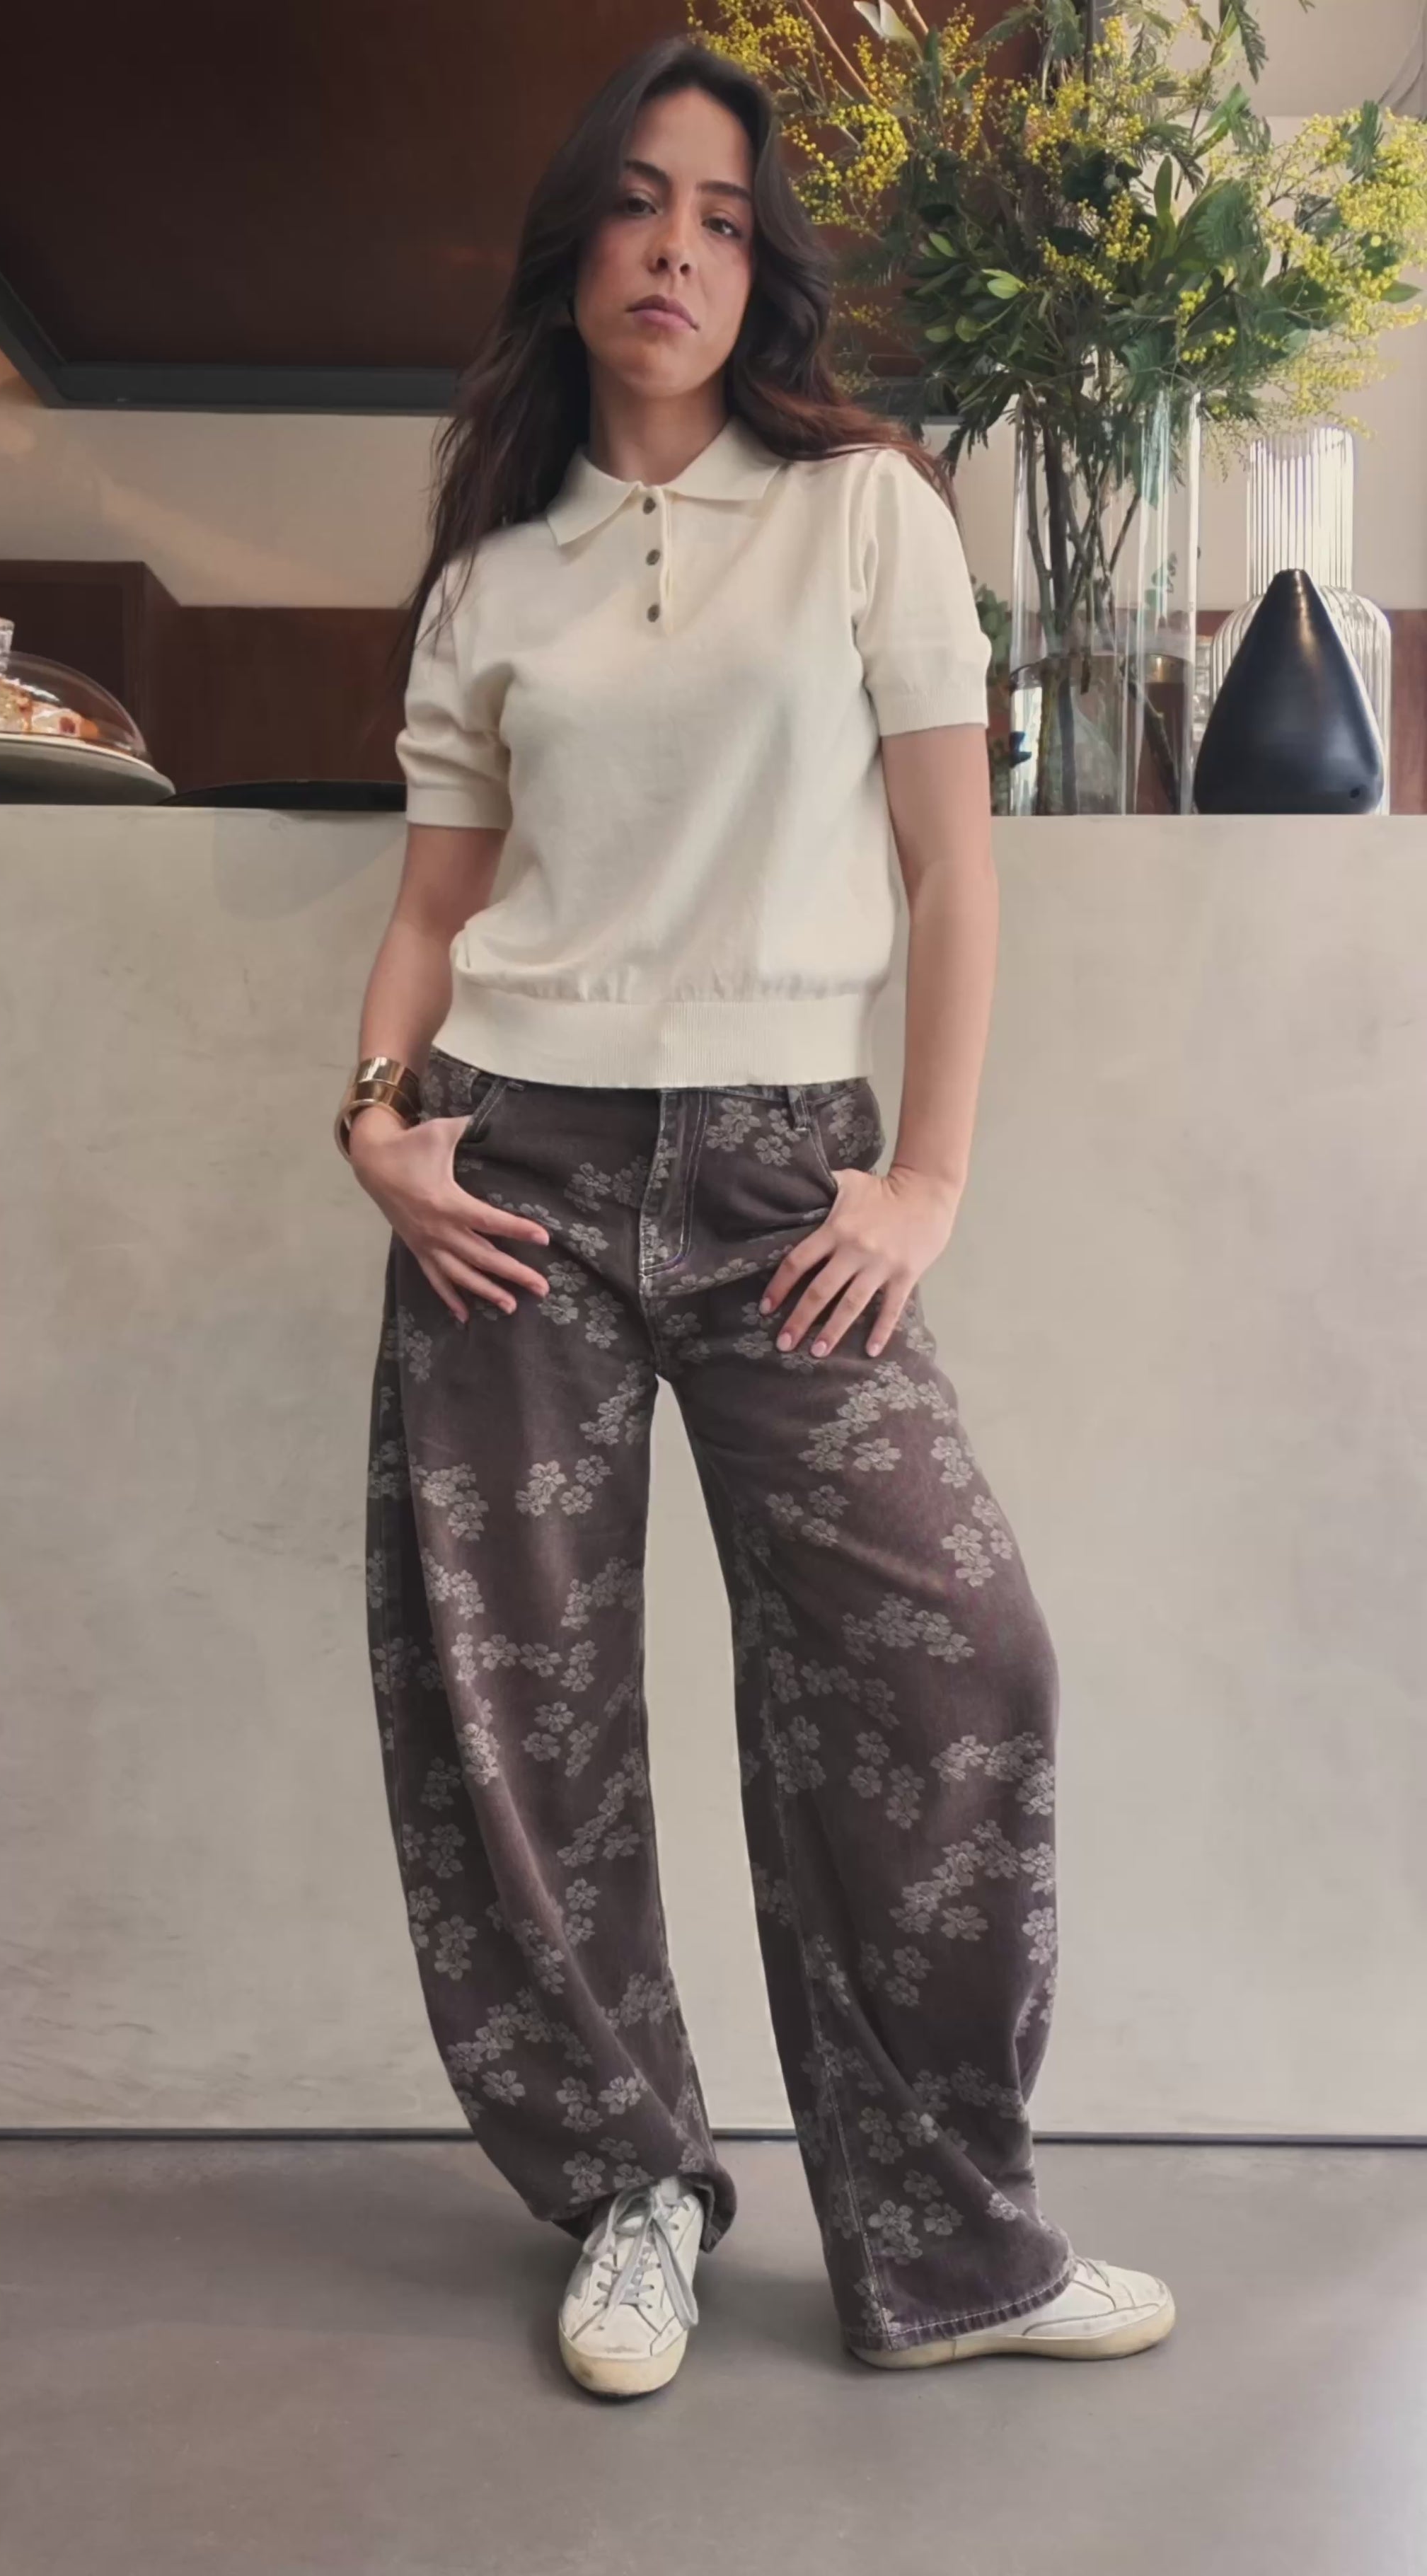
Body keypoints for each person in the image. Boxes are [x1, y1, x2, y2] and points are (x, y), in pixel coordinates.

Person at [335, 31, 1176, 2401]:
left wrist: (926, 1177)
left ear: (762, 265)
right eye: (636, 202)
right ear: (571, 250)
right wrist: (375, 1117)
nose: (677, 249)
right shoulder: (493, 573)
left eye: (720, 214)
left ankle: (955, 2235)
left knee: (956, 1654)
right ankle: (631, 2186)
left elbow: (950, 867)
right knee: (517, 1706)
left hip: (784, 1170)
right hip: (510, 1176)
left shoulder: (867, 513)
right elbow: (434, 907)